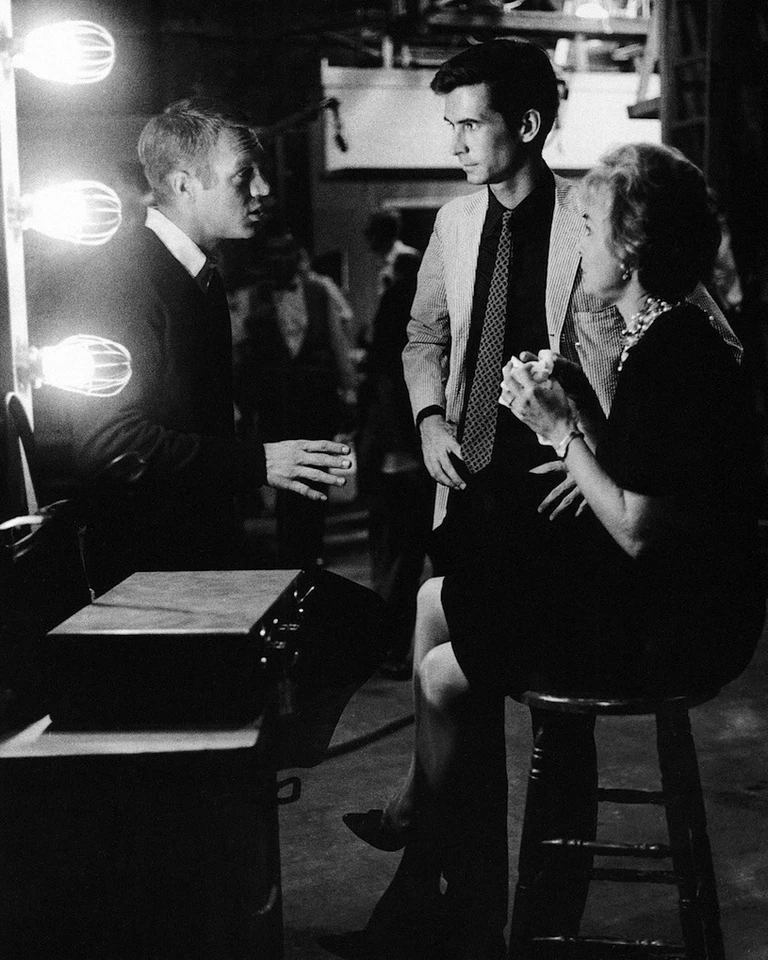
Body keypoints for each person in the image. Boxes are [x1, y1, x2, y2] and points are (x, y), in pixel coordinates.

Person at [322, 40, 742, 960]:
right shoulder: (456, 224)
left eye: (472, 123)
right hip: (477, 487)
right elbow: (423, 334)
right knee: (440, 616)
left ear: (529, 125)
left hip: (565, 505)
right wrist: (430, 418)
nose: (459, 141)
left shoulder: (599, 234)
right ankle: (448, 894)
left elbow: (684, 341)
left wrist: (580, 451)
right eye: (453, 125)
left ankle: (517, 899)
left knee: (488, 681)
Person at [55, 98, 352, 594]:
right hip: (146, 574)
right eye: (244, 175)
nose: (264, 189)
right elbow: (107, 442)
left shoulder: (198, 276)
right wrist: (257, 463)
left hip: (192, 557)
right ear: (183, 184)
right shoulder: (124, 278)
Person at [232, 231, 357, 568]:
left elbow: (337, 344)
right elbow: (238, 353)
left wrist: (349, 391)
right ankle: (291, 557)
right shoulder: (251, 298)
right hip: (275, 405)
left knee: (318, 478)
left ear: (296, 256)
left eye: (286, 252)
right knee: (286, 483)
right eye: (273, 254)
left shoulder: (319, 292)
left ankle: (312, 552)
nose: (280, 260)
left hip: (317, 402)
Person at [357, 250, 433, 678]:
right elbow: (389, 376)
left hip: (402, 446)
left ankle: (391, 646)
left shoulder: (400, 296)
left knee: (397, 558)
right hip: (404, 447)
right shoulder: (416, 297)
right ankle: (392, 646)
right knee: (403, 557)